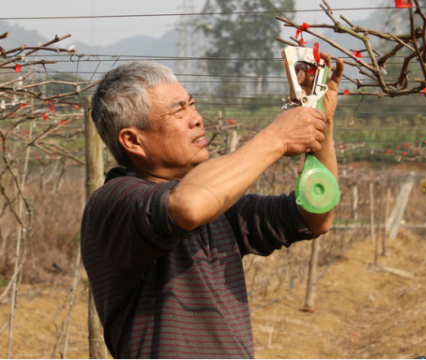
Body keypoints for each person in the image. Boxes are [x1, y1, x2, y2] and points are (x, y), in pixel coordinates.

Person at [80, 53, 344, 359]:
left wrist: (320, 120)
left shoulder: (219, 207)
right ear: (133, 141)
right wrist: (277, 138)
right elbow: (189, 207)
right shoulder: (115, 202)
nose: (196, 118)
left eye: (191, 104)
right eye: (177, 112)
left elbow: (314, 217)